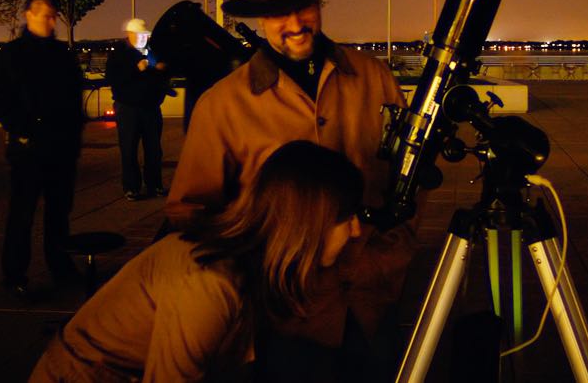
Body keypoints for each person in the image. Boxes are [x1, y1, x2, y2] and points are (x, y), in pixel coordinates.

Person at [166, 0, 413, 382]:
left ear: (319, 4)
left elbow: (410, 176)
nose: (296, 24)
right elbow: (190, 211)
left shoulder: (375, 77)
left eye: (304, 7)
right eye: (280, 13)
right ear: (261, 20)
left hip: (372, 301)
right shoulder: (222, 104)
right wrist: (257, 275)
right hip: (286, 318)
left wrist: (392, 253)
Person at [30, 141, 364, 382]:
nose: (356, 230)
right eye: (346, 217)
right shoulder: (208, 282)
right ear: (307, 222)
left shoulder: (247, 267)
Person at [0, 0, 85, 295]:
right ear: (29, 15)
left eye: (54, 16)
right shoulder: (10, 55)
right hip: (29, 148)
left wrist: (73, 137)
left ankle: (59, 265)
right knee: (23, 212)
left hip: (60, 146)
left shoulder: (62, 54)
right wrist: (24, 130)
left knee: (59, 212)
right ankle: (15, 273)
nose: (51, 22)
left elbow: (74, 100)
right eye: (46, 16)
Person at [105, 18, 171, 200]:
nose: (143, 38)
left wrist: (161, 71)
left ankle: (154, 184)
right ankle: (131, 187)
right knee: (129, 149)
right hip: (128, 109)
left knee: (154, 150)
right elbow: (112, 77)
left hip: (151, 108)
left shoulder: (152, 52)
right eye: (139, 34)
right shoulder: (120, 54)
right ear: (130, 35)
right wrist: (135, 69)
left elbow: (161, 76)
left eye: (145, 35)